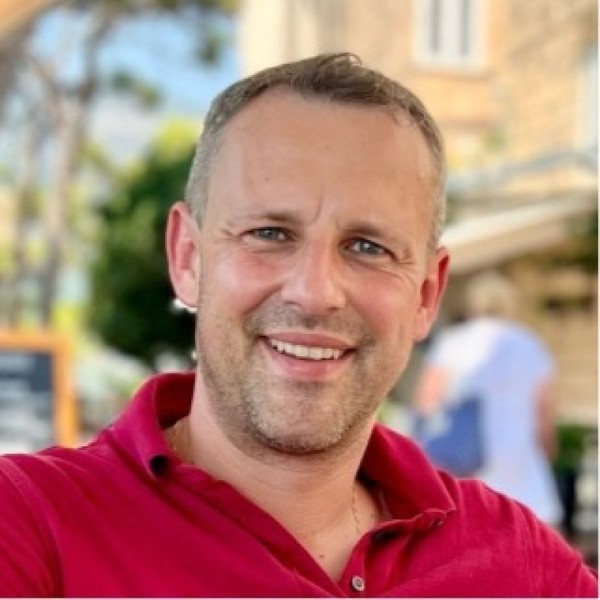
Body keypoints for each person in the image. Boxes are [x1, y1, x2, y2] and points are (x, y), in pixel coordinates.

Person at [0, 53, 595, 597]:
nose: (315, 293)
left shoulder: (521, 563)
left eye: (367, 246)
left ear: (426, 294)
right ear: (188, 258)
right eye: (269, 234)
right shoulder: (30, 526)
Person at [412, 271, 564, 525]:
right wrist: (549, 447)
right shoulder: (530, 343)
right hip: (520, 455)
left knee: (468, 525)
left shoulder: (455, 341)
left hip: (464, 453)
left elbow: (427, 400)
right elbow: (543, 407)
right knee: (530, 530)